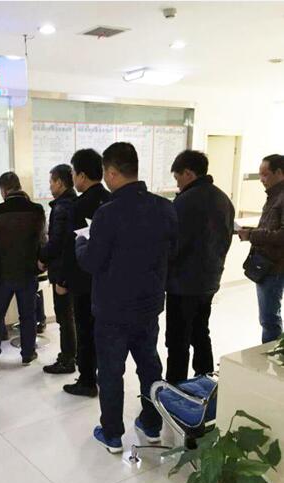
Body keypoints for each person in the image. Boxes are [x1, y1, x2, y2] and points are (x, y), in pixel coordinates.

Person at [76, 142, 178, 452]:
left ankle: (112, 434)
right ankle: (152, 425)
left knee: (111, 371)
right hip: (148, 305)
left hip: (112, 310)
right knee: (149, 366)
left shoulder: (107, 214)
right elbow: (172, 252)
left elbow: (92, 261)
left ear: (110, 172)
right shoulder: (165, 207)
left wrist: (80, 244)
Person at [166, 150, 234, 384]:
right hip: (210, 280)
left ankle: (176, 387)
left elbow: (173, 245)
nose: (177, 183)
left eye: (177, 177)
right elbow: (226, 239)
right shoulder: (223, 199)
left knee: (178, 340)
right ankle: (205, 382)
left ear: (188, 173)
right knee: (200, 332)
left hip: (182, 284)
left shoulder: (184, 202)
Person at [0, 171, 45, 365]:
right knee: (28, 315)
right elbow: (43, 239)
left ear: (3, 190)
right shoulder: (37, 210)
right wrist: (39, 261)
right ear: (19, 186)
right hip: (28, 271)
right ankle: (28, 353)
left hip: (2, 273)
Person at [61, 148, 111, 397]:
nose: (72, 178)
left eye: (73, 173)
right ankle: (101, 374)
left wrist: (63, 280)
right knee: (102, 330)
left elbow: (71, 248)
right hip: (107, 279)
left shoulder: (79, 206)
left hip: (83, 279)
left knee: (84, 329)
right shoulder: (111, 199)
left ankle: (87, 380)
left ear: (81, 175)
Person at [238, 154, 284, 343]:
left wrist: (251, 235)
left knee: (269, 318)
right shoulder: (274, 196)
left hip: (274, 267)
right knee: (268, 317)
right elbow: (270, 228)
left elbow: (281, 235)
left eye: (265, 175)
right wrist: (250, 231)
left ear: (279, 172)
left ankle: (272, 355)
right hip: (268, 265)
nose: (261, 180)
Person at [39, 164, 77, 374]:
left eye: (51, 182)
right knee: (72, 316)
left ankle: (67, 358)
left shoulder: (62, 208)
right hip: (72, 270)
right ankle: (74, 355)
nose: (50, 186)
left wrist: (42, 258)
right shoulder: (74, 202)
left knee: (64, 317)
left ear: (60, 183)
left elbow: (56, 242)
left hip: (62, 271)